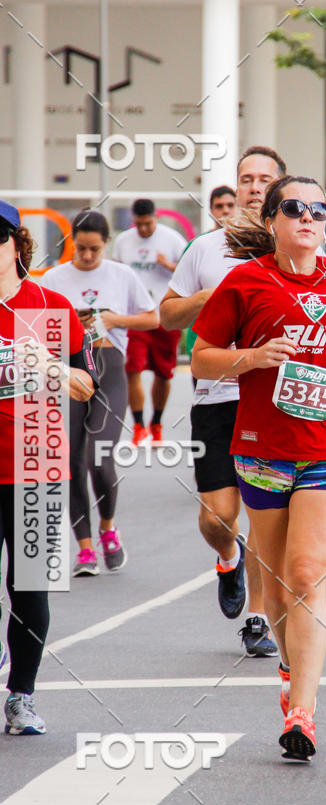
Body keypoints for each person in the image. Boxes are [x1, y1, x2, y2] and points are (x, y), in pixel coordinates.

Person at [191, 174, 326, 760]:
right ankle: (289, 672)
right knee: (273, 589)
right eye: (295, 209)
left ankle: (303, 712)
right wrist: (251, 357)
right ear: (272, 219)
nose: (309, 218)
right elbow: (200, 360)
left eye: (319, 210)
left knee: (304, 574)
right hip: (262, 449)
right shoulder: (246, 281)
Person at [160, 147, 288, 658]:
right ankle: (227, 555)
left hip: (273, 398)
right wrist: (208, 298)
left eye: (265, 179)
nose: (255, 187)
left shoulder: (297, 248)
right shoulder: (206, 247)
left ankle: (257, 615)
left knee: (263, 510)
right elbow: (168, 316)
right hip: (216, 397)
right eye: (246, 178)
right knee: (218, 517)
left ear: (281, 187)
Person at [0, 201, 95, 734]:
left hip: (35, 463)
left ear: (17, 244)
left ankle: (21, 697)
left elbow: (87, 386)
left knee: (30, 588)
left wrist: (51, 366)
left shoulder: (49, 306)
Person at [41, 210, 158, 575]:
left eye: (94, 249)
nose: (88, 256)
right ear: (71, 243)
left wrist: (113, 319)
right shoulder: (55, 278)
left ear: (106, 243)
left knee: (98, 455)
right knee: (71, 460)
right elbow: (38, 328)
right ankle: (86, 548)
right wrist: (70, 322)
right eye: (81, 248)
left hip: (108, 369)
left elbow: (153, 318)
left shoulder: (122, 275)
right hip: (69, 370)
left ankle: (108, 528)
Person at [112, 199, 187, 445]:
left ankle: (156, 422)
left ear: (156, 218)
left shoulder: (173, 239)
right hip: (136, 315)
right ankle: (138, 425)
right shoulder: (124, 240)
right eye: (139, 224)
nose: (144, 229)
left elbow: (189, 274)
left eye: (148, 224)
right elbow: (117, 275)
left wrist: (168, 265)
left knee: (164, 373)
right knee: (132, 369)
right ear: (134, 221)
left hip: (166, 315)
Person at [185, 185, 237, 378]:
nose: (225, 210)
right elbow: (182, 293)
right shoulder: (198, 245)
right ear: (210, 210)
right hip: (202, 339)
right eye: (219, 206)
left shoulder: (253, 244)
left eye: (230, 205)